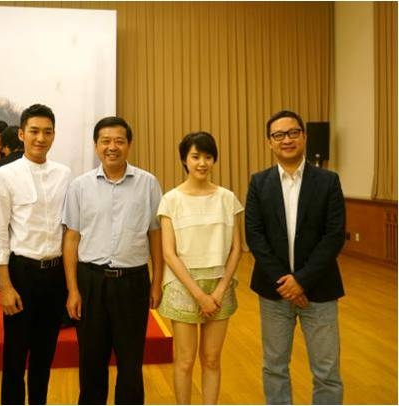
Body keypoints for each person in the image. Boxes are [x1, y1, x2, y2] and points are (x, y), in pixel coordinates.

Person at [245, 110, 346, 404]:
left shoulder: (328, 181)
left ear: (303, 136)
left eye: (292, 133)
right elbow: (255, 236)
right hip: (274, 292)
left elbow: (334, 235)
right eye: (278, 135)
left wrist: (301, 281)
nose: (286, 140)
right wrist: (285, 282)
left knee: (327, 371)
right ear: (269, 142)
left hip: (320, 290)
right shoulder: (259, 183)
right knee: (274, 367)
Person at [62, 116, 163, 404]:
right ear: (96, 145)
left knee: (131, 362)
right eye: (105, 141)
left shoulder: (148, 183)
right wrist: (72, 289)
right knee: (91, 361)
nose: (112, 147)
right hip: (91, 281)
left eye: (119, 141)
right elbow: (71, 239)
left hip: (133, 282)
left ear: (129, 144)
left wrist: (157, 282)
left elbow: (155, 235)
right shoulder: (80, 186)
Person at [0, 104, 71, 404]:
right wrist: (5, 286)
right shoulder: (5, 175)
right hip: (21, 273)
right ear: (22, 134)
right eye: (34, 131)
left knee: (44, 354)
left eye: (47, 132)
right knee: (15, 355)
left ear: (54, 135)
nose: (40, 138)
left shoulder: (64, 174)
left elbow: (68, 229)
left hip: (55, 274)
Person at [156, 132, 243, 404]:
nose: (202, 163)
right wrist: (199, 294)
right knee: (184, 361)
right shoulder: (171, 199)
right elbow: (168, 253)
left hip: (220, 285)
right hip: (183, 285)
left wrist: (218, 290)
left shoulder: (227, 198)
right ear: (185, 160)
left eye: (208, 157)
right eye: (195, 157)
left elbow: (236, 248)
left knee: (212, 359)